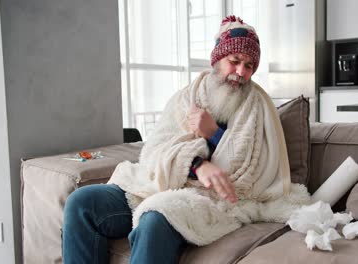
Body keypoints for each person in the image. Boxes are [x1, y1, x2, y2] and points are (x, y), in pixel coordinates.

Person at [63, 15, 309, 264]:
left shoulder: (258, 108)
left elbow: (254, 172)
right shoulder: (185, 98)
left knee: (155, 216)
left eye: (249, 66)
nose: (240, 72)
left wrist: (213, 133)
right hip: (156, 185)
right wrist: (197, 164)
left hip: (211, 201)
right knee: (82, 203)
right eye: (234, 62)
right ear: (217, 59)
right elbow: (154, 151)